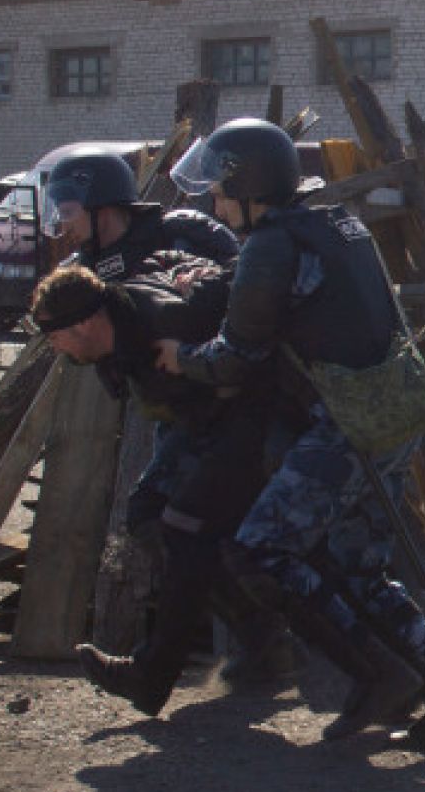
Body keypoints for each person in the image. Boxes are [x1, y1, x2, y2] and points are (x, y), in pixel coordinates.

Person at [160, 118, 425, 749]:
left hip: (346, 424)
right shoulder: (334, 221)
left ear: (248, 184)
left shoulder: (271, 242)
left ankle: (381, 675)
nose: (214, 203)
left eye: (221, 191)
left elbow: (238, 355)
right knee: (361, 570)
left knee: (260, 550)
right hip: (393, 412)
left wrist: (182, 356)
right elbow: (306, 296)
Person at [36, 262, 288, 717]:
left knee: (187, 531)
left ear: (86, 323)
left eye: (55, 335)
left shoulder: (163, 322)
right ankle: (260, 637)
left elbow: (239, 353)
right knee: (148, 515)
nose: (54, 346)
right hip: (208, 427)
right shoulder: (119, 331)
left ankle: (151, 676)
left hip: (256, 425)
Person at [41, 144, 237, 281]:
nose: (64, 226)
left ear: (100, 205)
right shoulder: (83, 269)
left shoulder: (181, 234)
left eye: (67, 212)